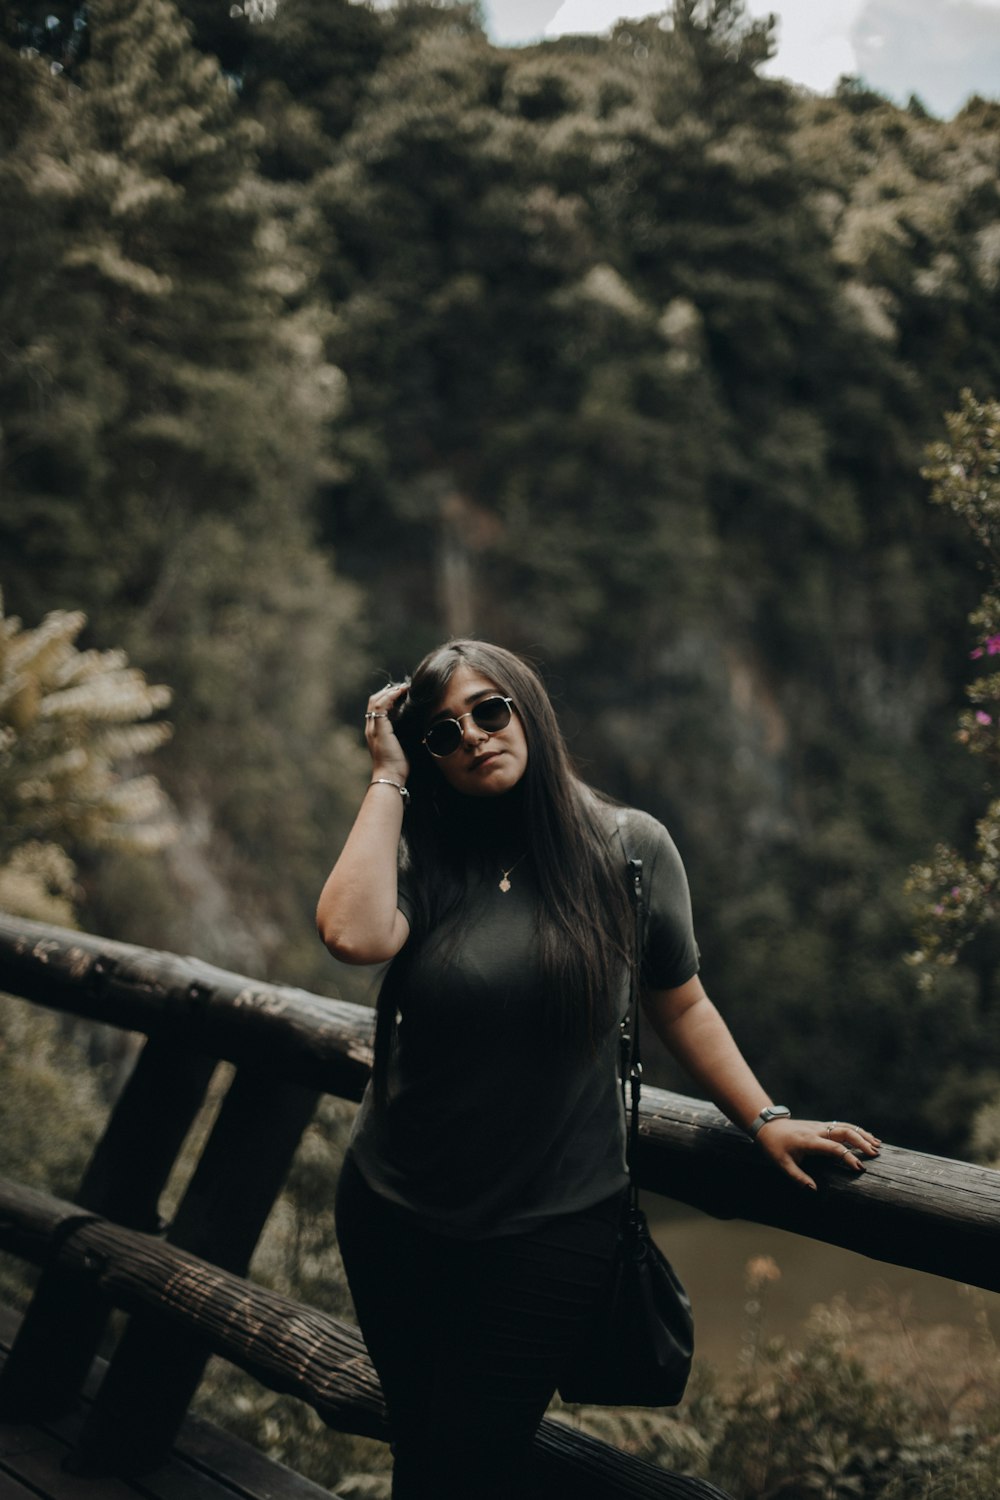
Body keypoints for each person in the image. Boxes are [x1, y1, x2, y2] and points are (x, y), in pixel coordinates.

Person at [316, 639, 880, 1499]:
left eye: (489, 710)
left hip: (552, 1226)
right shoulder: (422, 853)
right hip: (394, 1212)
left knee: (464, 1460)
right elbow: (352, 935)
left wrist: (766, 1119)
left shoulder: (628, 851)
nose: (471, 735)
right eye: (440, 732)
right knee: (426, 1450)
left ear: (529, 711)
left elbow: (681, 1002)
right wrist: (387, 773)